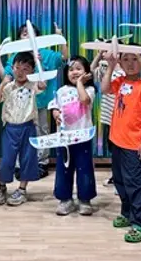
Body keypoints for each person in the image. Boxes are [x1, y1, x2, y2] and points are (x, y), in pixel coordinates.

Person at [0, 22, 68, 178]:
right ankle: (19, 164)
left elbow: (64, 58)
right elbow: (6, 76)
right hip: (20, 107)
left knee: (42, 130)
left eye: (31, 33)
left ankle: (42, 163)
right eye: (24, 33)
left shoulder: (47, 54)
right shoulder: (16, 56)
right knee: (20, 137)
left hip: (41, 102)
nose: (27, 36)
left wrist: (61, 37)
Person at [102, 44, 141, 243]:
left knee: (136, 184)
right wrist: (110, 65)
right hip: (117, 142)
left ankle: (140, 223)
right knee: (120, 181)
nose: (130, 64)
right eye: (126, 59)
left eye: (135, 59)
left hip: (134, 145)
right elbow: (105, 89)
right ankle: (126, 212)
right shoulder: (120, 81)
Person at [0, 52, 46, 206]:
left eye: (26, 69)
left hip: (28, 127)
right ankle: (2, 186)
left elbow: (43, 85)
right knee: (7, 160)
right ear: (12, 68)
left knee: (28, 160)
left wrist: (39, 64)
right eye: (18, 68)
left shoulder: (33, 85)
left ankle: (22, 190)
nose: (21, 72)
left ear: (32, 71)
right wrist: (3, 83)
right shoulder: (8, 86)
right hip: (10, 128)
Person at [49, 56, 97, 216]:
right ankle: (65, 200)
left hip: (83, 137)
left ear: (86, 72)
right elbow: (55, 107)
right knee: (64, 169)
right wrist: (55, 113)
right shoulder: (61, 91)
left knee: (85, 169)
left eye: (78, 69)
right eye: (71, 69)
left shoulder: (89, 89)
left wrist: (79, 84)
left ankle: (85, 199)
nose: (74, 72)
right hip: (64, 139)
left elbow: (84, 100)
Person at [91, 51, 125, 186]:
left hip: (121, 117)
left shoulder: (125, 70)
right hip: (107, 116)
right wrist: (99, 55)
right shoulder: (104, 68)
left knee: (122, 149)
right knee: (113, 149)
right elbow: (91, 70)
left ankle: (121, 177)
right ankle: (115, 175)